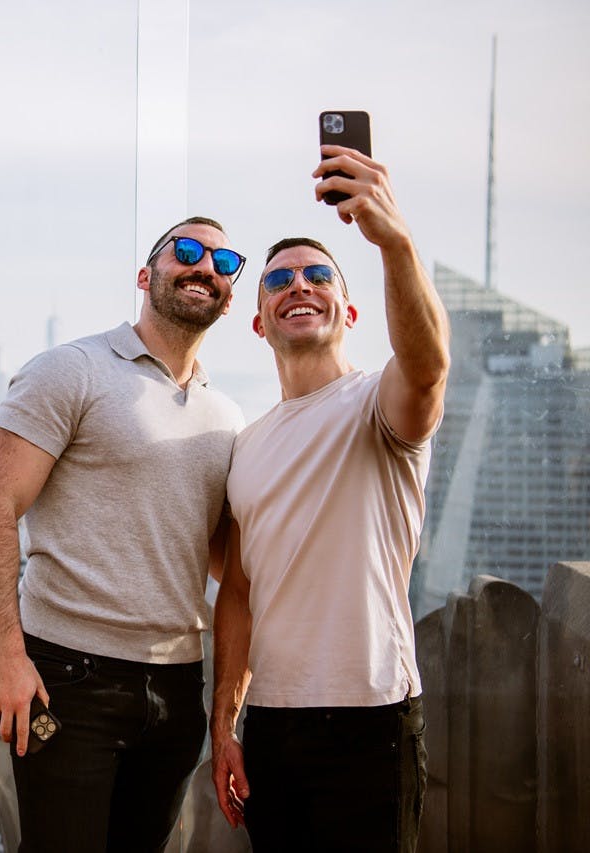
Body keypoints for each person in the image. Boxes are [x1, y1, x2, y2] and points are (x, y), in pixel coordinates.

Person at [0, 217, 247, 851]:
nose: (206, 267)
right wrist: (5, 651)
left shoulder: (226, 418)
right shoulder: (74, 370)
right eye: (189, 251)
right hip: (68, 680)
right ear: (146, 275)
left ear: (230, 295)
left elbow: (231, 565)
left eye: (224, 262)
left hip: (177, 690)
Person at [209, 147, 450, 853]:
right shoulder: (247, 446)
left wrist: (393, 241)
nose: (298, 286)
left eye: (318, 275)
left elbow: (429, 368)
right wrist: (223, 723)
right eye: (279, 281)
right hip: (274, 729)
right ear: (259, 322)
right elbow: (241, 593)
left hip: (372, 719)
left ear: (346, 308)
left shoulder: (378, 403)